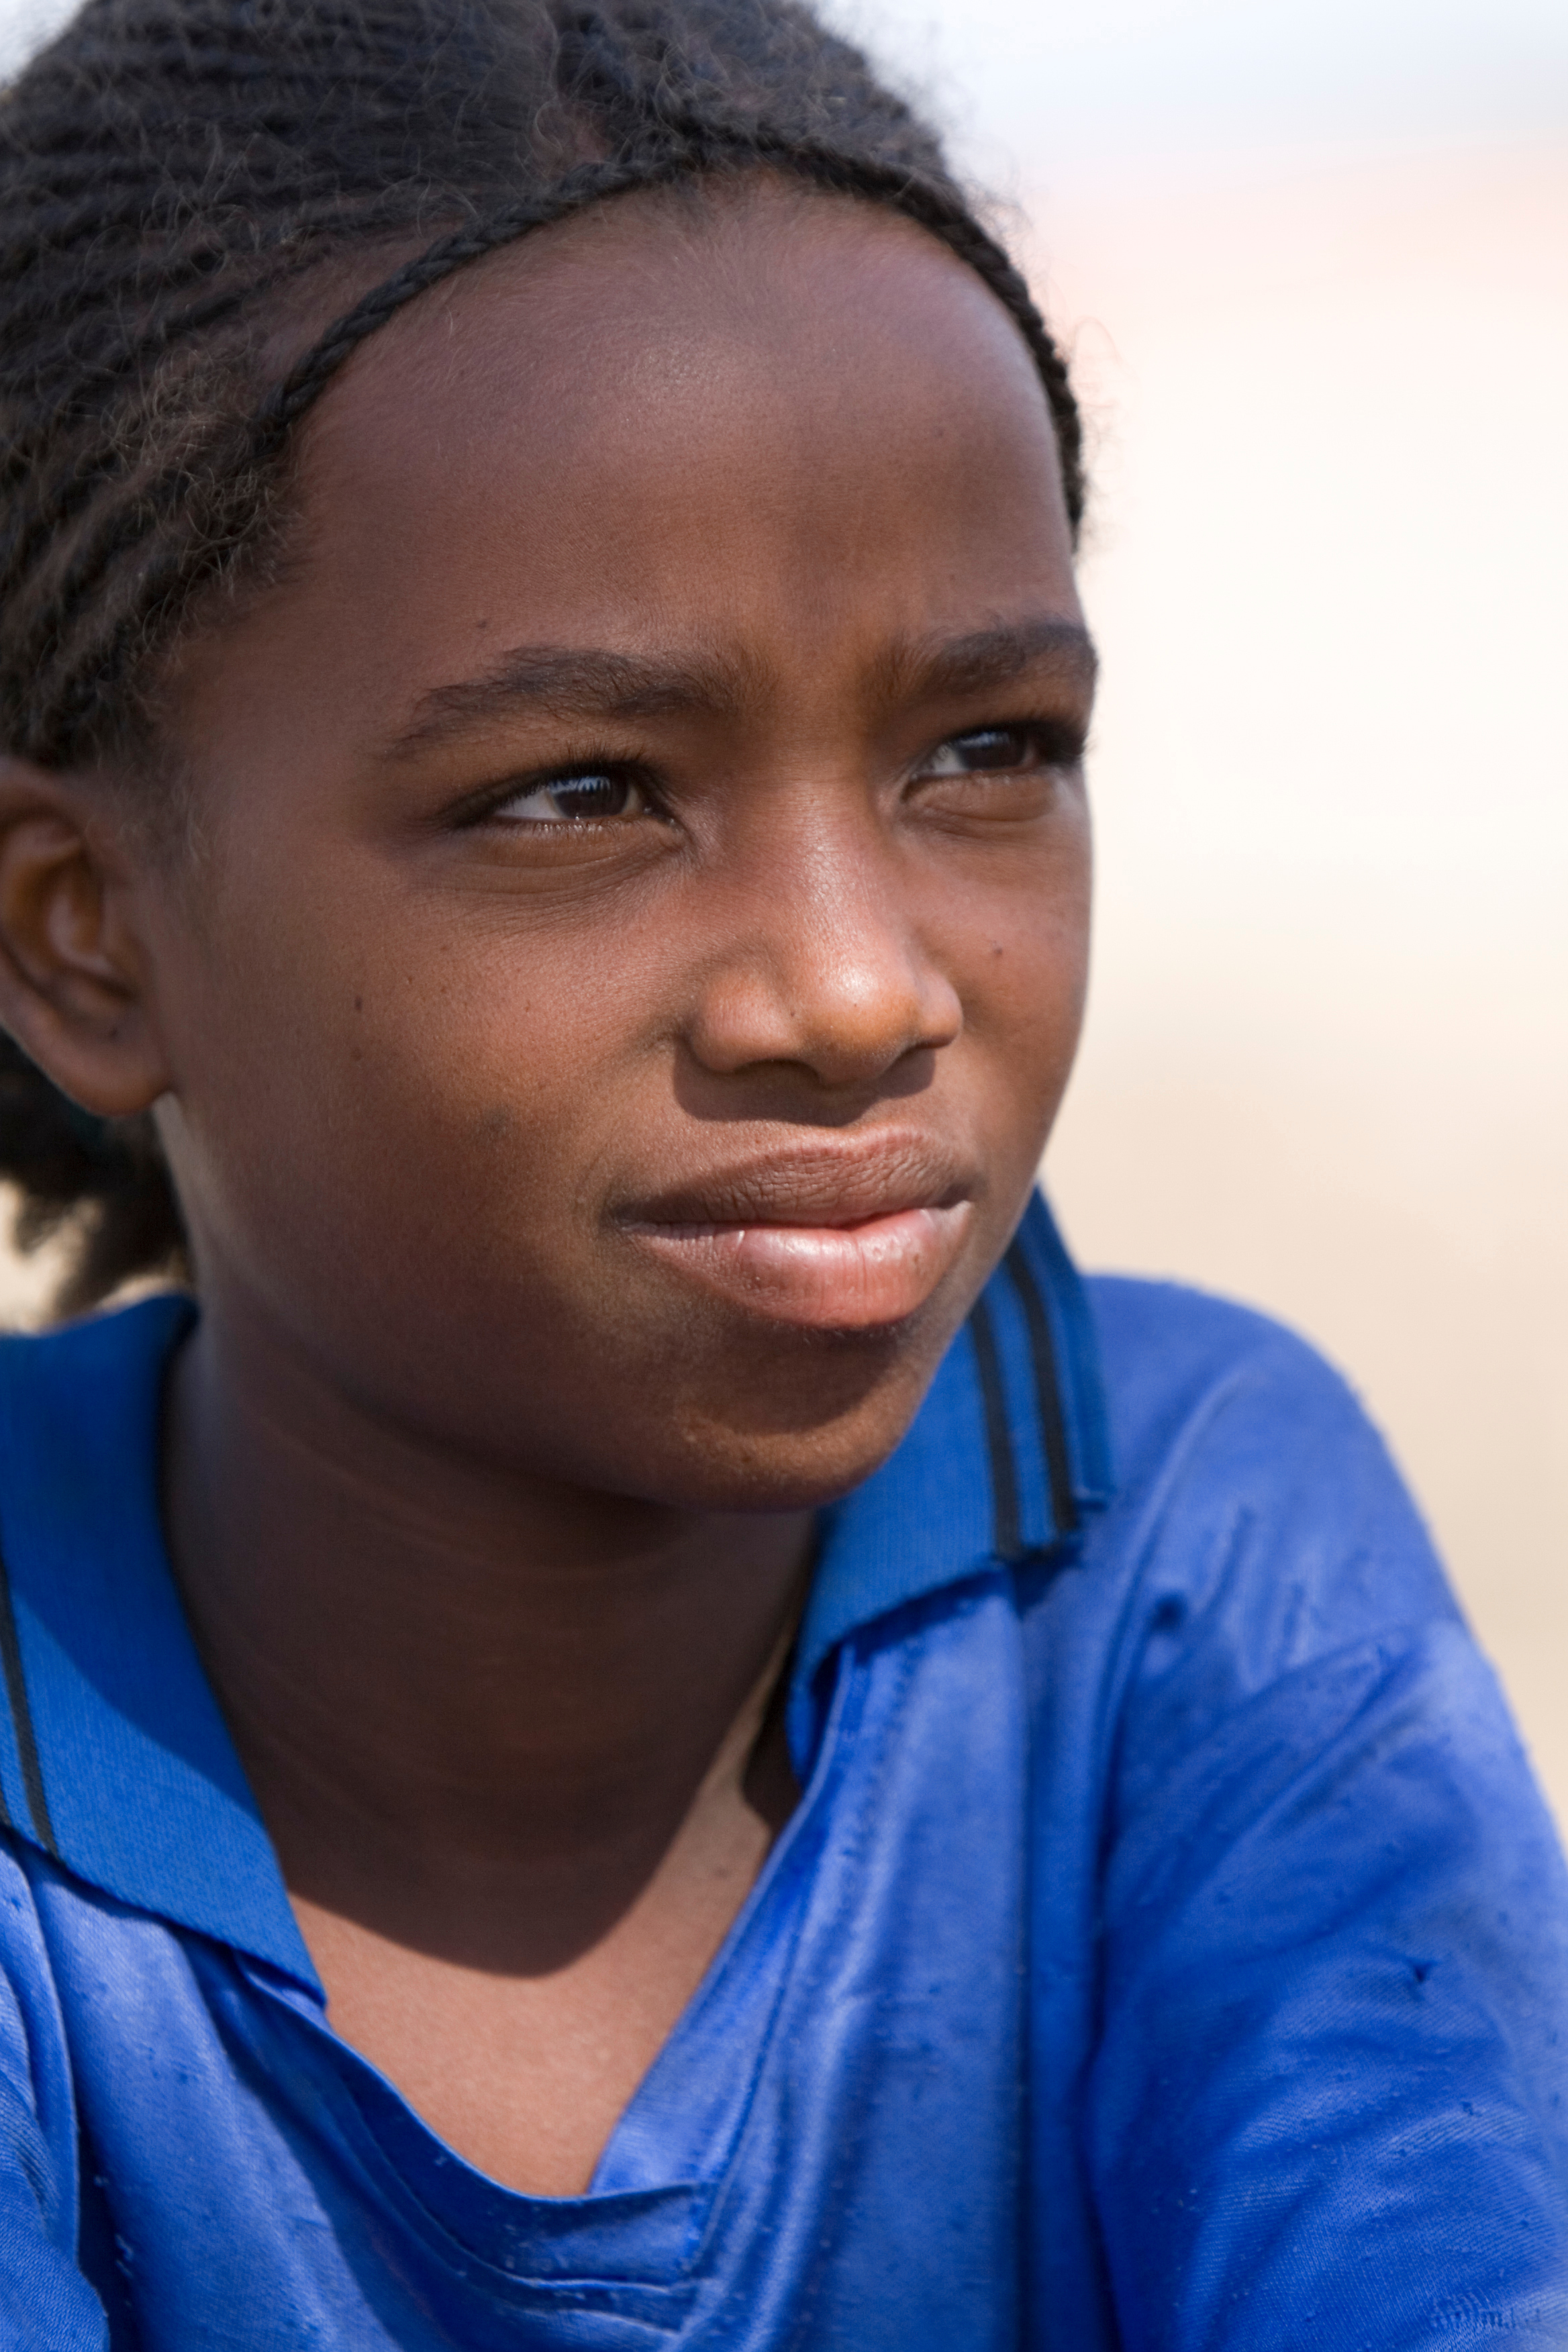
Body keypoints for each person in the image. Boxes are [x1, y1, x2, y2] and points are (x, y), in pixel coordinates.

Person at [0, 0, 1562, 2341]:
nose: (855, 991)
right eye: (584, 792)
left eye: (984, 751)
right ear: (85, 935)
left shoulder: (1173, 1552)